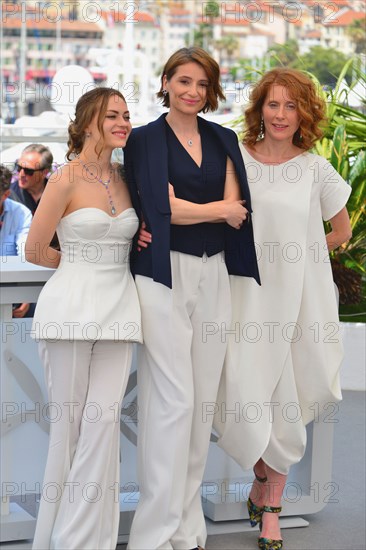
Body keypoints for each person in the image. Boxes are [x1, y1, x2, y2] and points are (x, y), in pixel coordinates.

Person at [123, 46, 260, 550]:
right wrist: (211, 210)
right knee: (173, 401)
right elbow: (162, 208)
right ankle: (154, 535)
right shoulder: (142, 140)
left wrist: (198, 209)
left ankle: (187, 529)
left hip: (215, 275)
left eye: (202, 85)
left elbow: (237, 209)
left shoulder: (223, 138)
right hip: (163, 275)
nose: (192, 92)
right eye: (183, 81)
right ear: (165, 82)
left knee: (201, 403)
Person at [214, 68, 352, 550]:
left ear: (304, 114)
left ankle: (272, 510)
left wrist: (307, 260)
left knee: (286, 406)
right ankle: (259, 479)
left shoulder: (316, 169)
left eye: (290, 106)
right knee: (240, 398)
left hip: (298, 306)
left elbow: (341, 231)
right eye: (272, 105)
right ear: (260, 110)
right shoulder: (236, 161)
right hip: (243, 301)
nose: (280, 114)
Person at [25, 87, 142, 550]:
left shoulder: (128, 176)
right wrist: (79, 263)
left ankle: (87, 539)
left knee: (103, 423)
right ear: (88, 121)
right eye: (113, 115)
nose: (123, 122)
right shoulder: (64, 178)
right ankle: (58, 540)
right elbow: (35, 249)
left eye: (127, 115)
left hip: (121, 312)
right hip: (69, 313)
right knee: (69, 427)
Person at [0, 163, 33, 317]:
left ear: (5, 195)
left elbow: (24, 255)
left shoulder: (21, 213)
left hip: (11, 284)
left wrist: (26, 297)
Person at [11, 143, 53, 214]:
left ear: (44, 173)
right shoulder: (8, 196)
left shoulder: (57, 195)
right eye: (19, 167)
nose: (21, 174)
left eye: (28, 171)